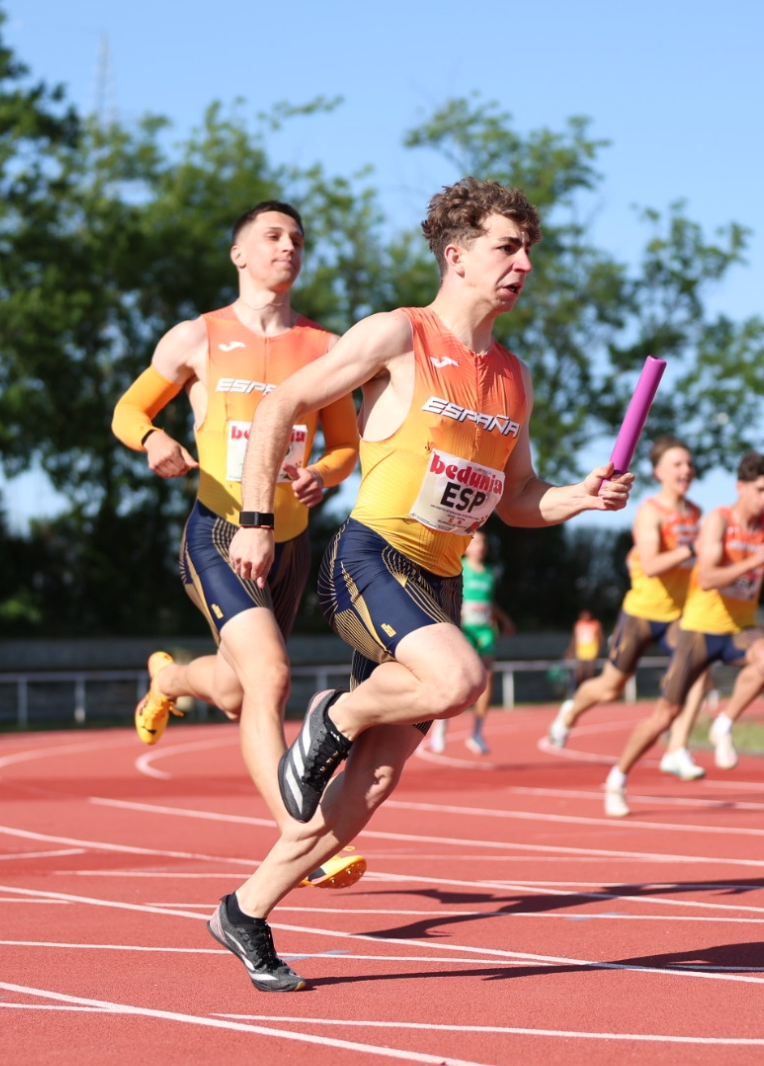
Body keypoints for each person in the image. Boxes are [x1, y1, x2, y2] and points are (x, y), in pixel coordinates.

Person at [210, 178, 634, 991]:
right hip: (369, 561)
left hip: (437, 583)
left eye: (528, 251)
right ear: (457, 255)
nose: (523, 265)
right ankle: (333, 715)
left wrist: (582, 496)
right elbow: (282, 406)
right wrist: (257, 519)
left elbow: (516, 499)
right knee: (462, 678)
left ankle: (246, 910)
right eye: (507, 248)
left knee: (368, 784)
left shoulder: (513, 375)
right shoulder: (400, 334)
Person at [110, 201, 365, 890]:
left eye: (297, 240)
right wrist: (156, 438)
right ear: (240, 255)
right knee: (272, 679)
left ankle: (167, 680)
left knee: (234, 687)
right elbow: (129, 410)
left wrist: (323, 474)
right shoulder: (197, 337)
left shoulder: (326, 346)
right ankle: (299, 831)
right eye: (273, 237)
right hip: (219, 529)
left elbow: (345, 445)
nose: (289, 248)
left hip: (289, 542)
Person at [601, 451, 764, 817]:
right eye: (760, 490)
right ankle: (617, 778)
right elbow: (712, 577)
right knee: (665, 715)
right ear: (741, 487)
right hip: (699, 629)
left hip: (739, 628)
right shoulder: (718, 521)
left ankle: (723, 723)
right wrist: (753, 561)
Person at [548, 436, 710, 781]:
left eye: (689, 464)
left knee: (700, 669)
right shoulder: (650, 510)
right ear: (659, 472)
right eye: (678, 464)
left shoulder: (696, 513)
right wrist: (691, 549)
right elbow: (650, 564)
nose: (686, 470)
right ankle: (568, 713)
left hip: (678, 616)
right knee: (610, 688)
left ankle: (677, 749)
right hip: (640, 614)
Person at [425, 529, 514, 755]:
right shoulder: (458, 566)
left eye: (483, 542)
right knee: (456, 676)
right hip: (462, 629)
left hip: (484, 631)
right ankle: (441, 726)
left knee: (487, 678)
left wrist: (503, 620)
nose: (480, 546)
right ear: (466, 546)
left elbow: (488, 603)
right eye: (476, 542)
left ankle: (476, 733)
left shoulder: (489, 574)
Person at [566, 610, 603, 692]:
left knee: (590, 673)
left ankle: (591, 691)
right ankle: (580, 691)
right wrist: (571, 651)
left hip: (591, 652)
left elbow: (600, 638)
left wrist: (598, 650)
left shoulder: (595, 624)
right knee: (580, 673)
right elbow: (575, 639)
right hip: (581, 652)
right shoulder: (578, 625)